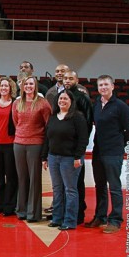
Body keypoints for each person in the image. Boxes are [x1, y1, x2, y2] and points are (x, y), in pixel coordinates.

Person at [86, 75, 129, 234]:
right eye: (100, 85)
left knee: (114, 187)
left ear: (112, 86)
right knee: (100, 186)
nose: (103, 87)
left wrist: (118, 145)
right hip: (98, 151)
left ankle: (115, 220)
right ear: (98, 88)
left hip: (113, 152)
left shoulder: (121, 107)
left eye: (106, 84)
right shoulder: (97, 105)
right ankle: (100, 216)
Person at [42, 90, 89, 230]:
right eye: (60, 98)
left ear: (71, 101)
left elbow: (83, 139)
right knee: (57, 189)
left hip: (70, 159)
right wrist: (44, 157)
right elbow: (47, 139)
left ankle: (69, 221)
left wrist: (77, 157)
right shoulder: (53, 117)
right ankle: (57, 218)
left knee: (70, 190)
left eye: (65, 99)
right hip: (53, 157)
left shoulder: (78, 117)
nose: (62, 101)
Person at [12, 76, 51, 222]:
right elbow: (16, 122)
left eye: (31, 84)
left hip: (35, 144)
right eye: (26, 84)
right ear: (22, 86)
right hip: (19, 144)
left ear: (36, 86)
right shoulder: (17, 103)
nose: (28, 86)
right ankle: (21, 210)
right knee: (22, 178)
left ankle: (33, 213)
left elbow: (48, 125)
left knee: (34, 179)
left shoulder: (43, 103)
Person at [63, 70, 93, 225]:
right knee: (64, 184)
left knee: (77, 183)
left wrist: (80, 146)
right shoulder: (61, 96)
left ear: (76, 80)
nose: (67, 80)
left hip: (75, 148)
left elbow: (88, 124)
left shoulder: (83, 97)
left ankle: (78, 214)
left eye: (70, 78)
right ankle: (63, 212)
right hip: (62, 147)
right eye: (65, 78)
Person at [0, 77, 18, 216]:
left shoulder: (15, 103)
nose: (4, 88)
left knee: (11, 177)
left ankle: (9, 205)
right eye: (2, 86)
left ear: (11, 88)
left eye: (6, 86)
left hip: (10, 144)